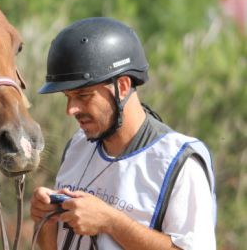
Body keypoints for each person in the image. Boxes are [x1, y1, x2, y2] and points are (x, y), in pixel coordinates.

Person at [30, 17, 216, 250]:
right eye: (67, 97)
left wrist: (110, 221)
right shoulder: (77, 147)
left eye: (83, 96)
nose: (71, 110)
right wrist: (45, 222)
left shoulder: (179, 162)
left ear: (123, 86)